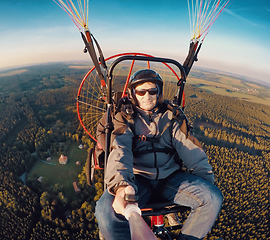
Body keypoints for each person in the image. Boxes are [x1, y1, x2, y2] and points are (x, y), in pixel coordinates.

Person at [95, 69, 223, 240]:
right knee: (106, 211)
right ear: (133, 94)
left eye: (152, 91)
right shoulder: (124, 118)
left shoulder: (172, 117)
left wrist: (206, 182)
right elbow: (120, 150)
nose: (147, 96)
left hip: (171, 179)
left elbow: (190, 148)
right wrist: (121, 186)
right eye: (141, 91)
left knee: (212, 198)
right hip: (138, 180)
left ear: (159, 93)